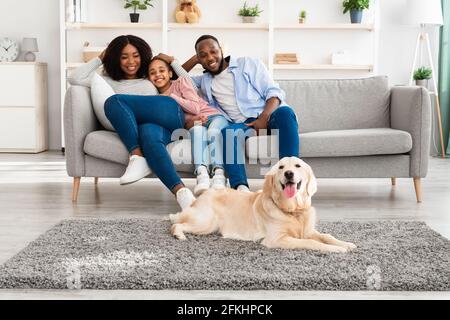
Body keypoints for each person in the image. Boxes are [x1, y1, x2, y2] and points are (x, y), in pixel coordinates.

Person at [68, 35, 196, 209]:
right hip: (151, 128)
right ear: (115, 58)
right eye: (124, 56)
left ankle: (136, 155)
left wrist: (173, 61)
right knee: (149, 137)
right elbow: (74, 78)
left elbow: (189, 85)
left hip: (168, 113)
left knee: (115, 101)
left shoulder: (149, 74)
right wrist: (100, 58)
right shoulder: (105, 80)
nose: (131, 61)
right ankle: (182, 194)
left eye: (135, 55)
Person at [182, 35, 300, 192]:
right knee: (227, 132)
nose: (210, 57)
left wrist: (263, 118)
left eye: (213, 51)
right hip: (243, 124)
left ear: (221, 51)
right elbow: (176, 77)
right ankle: (240, 188)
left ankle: (292, 178)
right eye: (203, 55)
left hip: (270, 114)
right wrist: (195, 59)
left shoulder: (248, 64)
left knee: (286, 113)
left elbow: (274, 92)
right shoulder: (204, 81)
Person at [147, 57, 230, 195]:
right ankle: (202, 175)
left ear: (170, 73)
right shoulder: (156, 98)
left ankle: (219, 175)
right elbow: (178, 122)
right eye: (152, 73)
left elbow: (195, 108)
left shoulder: (181, 82)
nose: (158, 75)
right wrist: (190, 123)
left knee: (213, 132)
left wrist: (172, 97)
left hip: (213, 116)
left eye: (161, 70)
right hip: (195, 123)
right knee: (197, 133)